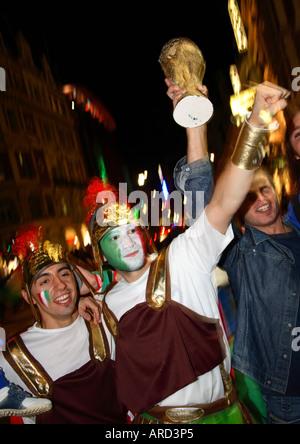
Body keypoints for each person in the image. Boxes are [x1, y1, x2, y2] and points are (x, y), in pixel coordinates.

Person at [80, 81, 288, 424]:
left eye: (132, 230)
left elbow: (221, 200)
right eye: (115, 238)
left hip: (221, 416)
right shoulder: (103, 307)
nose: (129, 241)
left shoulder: (183, 256)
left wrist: (257, 121)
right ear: (100, 254)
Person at [0, 227, 126, 424]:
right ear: (28, 297)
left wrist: (84, 295)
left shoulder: (102, 317)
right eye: (45, 281)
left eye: (65, 274)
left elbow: (133, 281)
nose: (60, 285)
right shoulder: (12, 357)